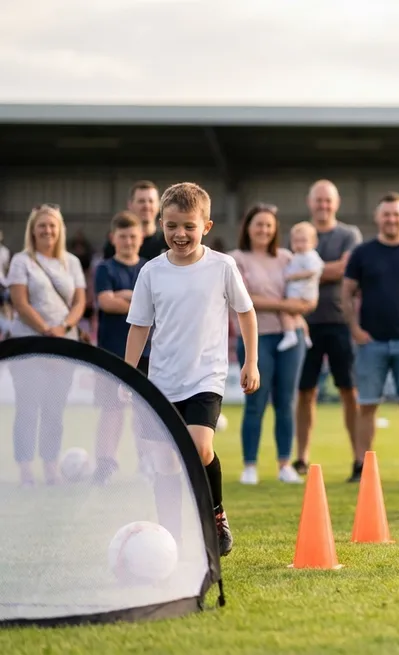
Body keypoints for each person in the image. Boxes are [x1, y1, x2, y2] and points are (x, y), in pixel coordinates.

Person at [126, 182, 260, 557]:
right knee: (163, 461)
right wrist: (128, 372)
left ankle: (216, 515)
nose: (179, 234)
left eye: (188, 225)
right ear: (160, 224)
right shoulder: (151, 272)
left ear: (206, 225)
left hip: (205, 377)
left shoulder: (222, 266)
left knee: (201, 448)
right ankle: (171, 536)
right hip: (162, 381)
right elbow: (140, 326)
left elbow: (246, 313)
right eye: (171, 226)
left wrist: (251, 361)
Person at [342, 192, 399, 485]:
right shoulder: (362, 253)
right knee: (367, 405)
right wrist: (355, 329)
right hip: (371, 343)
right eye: (386, 214)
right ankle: (361, 465)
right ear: (377, 217)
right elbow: (346, 293)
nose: (391, 219)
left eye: (396, 214)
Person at [230, 204, 316, 486]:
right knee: (255, 401)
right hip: (257, 338)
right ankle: (250, 465)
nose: (264, 230)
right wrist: (284, 305)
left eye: (269, 225)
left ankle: (284, 464)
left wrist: (303, 305)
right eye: (259, 224)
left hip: (292, 337)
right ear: (248, 227)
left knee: (286, 402)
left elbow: (307, 293)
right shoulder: (236, 259)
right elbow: (244, 299)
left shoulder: (287, 257)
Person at [6, 204, 87, 487]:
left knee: (55, 410)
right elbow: (20, 301)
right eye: (42, 225)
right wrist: (45, 331)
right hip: (29, 344)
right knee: (27, 409)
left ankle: (51, 467)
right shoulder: (21, 260)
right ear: (33, 230)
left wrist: (63, 328)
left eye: (52, 225)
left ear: (60, 230)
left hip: (64, 345)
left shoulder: (71, 262)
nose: (47, 230)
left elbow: (79, 302)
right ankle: (26, 469)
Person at [295, 180, 363, 480]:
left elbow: (347, 270)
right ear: (310, 203)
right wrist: (327, 269)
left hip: (339, 322)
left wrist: (308, 272)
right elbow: (292, 275)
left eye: (328, 200)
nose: (323, 205)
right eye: (318, 200)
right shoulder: (300, 232)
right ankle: (301, 458)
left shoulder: (349, 234)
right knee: (305, 392)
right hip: (305, 324)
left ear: (336, 203)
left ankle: (359, 458)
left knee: (350, 391)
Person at [92, 211, 152, 484]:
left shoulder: (149, 268)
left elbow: (157, 306)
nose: (128, 241)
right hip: (112, 352)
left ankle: (147, 463)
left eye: (133, 236)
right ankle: (105, 464)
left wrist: (124, 298)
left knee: (147, 413)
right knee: (112, 410)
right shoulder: (105, 268)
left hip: (147, 352)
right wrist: (137, 303)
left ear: (141, 238)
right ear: (113, 238)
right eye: (123, 236)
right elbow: (105, 302)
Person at [277, 221, 325, 352]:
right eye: (296, 241)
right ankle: (306, 336)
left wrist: (293, 277)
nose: (299, 245)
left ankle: (290, 334)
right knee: (297, 317)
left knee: (284, 310)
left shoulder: (310, 255)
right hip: (298, 293)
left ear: (314, 242)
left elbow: (314, 271)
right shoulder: (298, 256)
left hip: (303, 294)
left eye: (303, 241)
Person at [102, 181, 168, 260]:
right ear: (130, 205)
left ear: (159, 205)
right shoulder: (117, 242)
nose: (146, 206)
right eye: (141, 201)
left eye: (151, 201)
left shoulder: (167, 241)